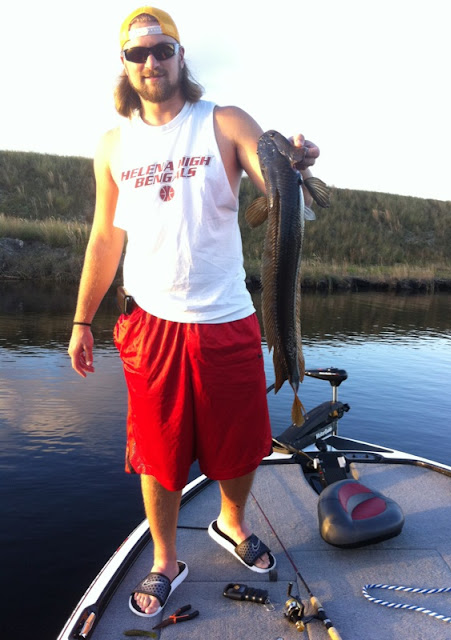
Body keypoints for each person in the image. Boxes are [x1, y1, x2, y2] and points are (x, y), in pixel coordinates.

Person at [68, 6, 320, 618]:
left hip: (226, 316)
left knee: (240, 444)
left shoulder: (224, 121)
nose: (151, 62)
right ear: (125, 66)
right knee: (157, 452)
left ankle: (232, 523)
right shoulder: (112, 146)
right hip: (151, 324)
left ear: (181, 56)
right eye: (138, 54)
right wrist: (81, 320)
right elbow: (105, 237)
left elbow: (269, 177)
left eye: (162, 50)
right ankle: (164, 559)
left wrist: (292, 163)